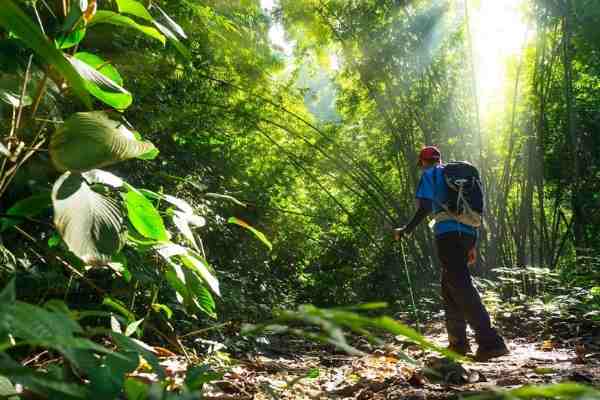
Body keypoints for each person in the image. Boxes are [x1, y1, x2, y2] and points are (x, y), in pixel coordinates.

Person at [394, 146, 509, 362]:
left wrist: (406, 230)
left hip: (447, 234)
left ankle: (491, 342)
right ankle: (458, 344)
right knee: (449, 285)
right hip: (467, 234)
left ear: (423, 162)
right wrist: (472, 245)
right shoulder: (457, 177)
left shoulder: (430, 174)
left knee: (460, 283)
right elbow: (473, 213)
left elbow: (426, 206)